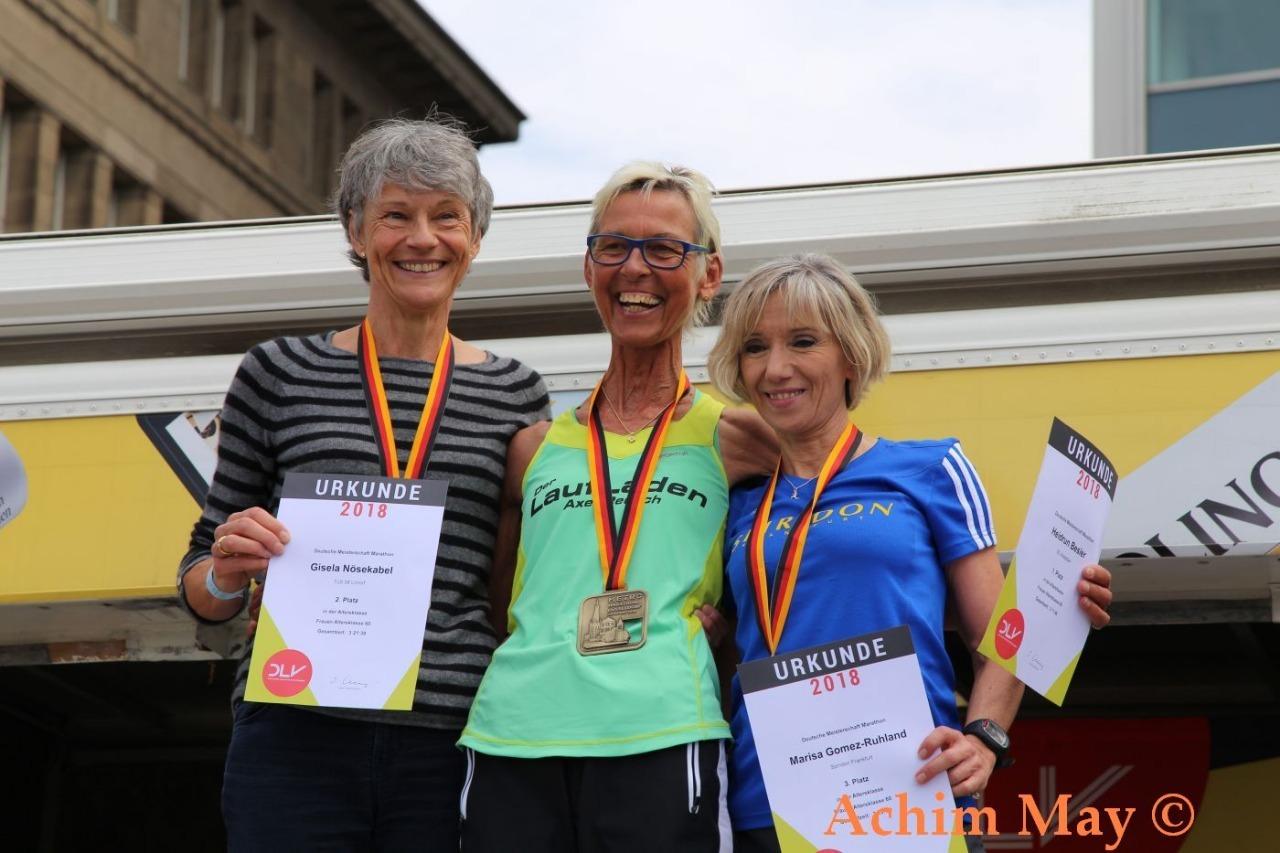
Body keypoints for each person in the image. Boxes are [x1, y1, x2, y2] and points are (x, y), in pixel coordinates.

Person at [176, 117, 550, 851]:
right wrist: (224, 570)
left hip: (452, 733)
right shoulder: (277, 372)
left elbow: (523, 575)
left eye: (447, 216)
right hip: (295, 730)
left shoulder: (516, 393)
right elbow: (200, 587)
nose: (422, 238)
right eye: (395, 215)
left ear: (475, 238)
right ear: (355, 230)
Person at [705, 254, 1113, 853]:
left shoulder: (929, 468)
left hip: (906, 791)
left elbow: (1005, 636)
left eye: (802, 341)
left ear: (850, 353)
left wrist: (984, 738)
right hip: (765, 801)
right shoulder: (735, 502)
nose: (776, 368)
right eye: (755, 348)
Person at [458, 162, 775, 852]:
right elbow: (497, 598)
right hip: (514, 734)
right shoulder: (534, 446)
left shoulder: (739, 435)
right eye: (614, 246)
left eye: (664, 249)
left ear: (709, 275)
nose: (636, 269)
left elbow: (814, 535)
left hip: (661, 731)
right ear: (589, 265)